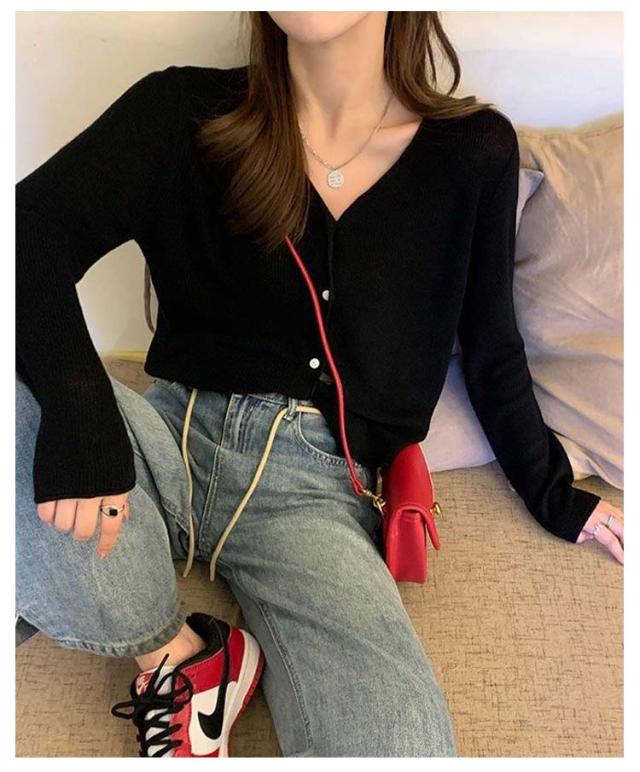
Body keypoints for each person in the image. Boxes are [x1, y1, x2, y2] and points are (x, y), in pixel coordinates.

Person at [15, 10, 623, 759]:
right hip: (157, 442)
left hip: (314, 490)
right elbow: (25, 235)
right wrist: (79, 413)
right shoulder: (183, 112)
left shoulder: (471, 153)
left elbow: (492, 347)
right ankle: (181, 658)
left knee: (400, 748)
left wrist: (556, 494)